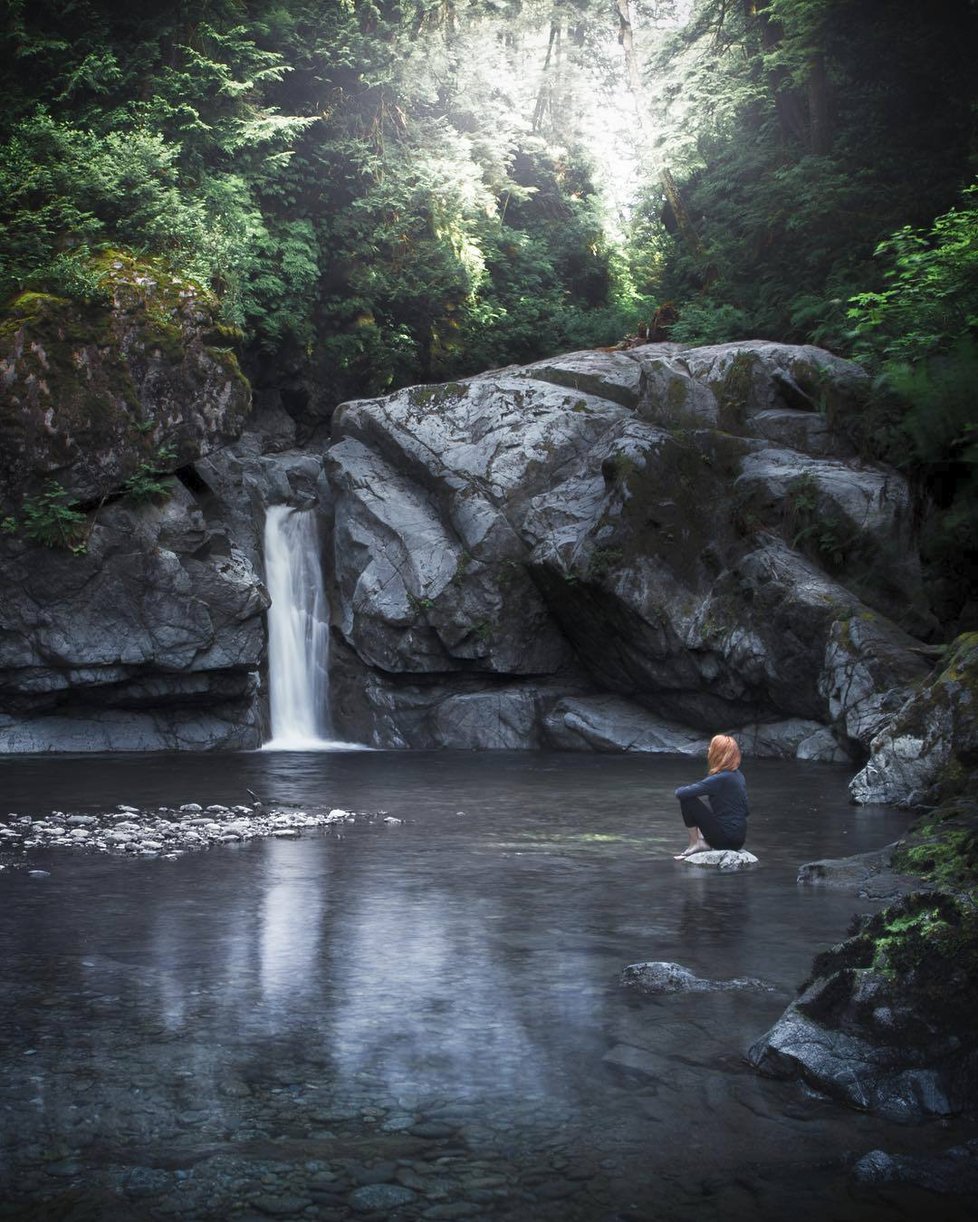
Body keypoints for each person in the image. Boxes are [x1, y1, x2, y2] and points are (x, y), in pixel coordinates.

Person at [673, 734, 749, 859]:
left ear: (718, 753)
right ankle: (702, 840)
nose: (708, 750)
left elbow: (680, 793)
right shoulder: (738, 776)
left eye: (711, 747)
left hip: (724, 841)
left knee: (687, 800)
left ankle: (695, 843)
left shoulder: (720, 779)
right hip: (739, 840)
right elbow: (745, 810)